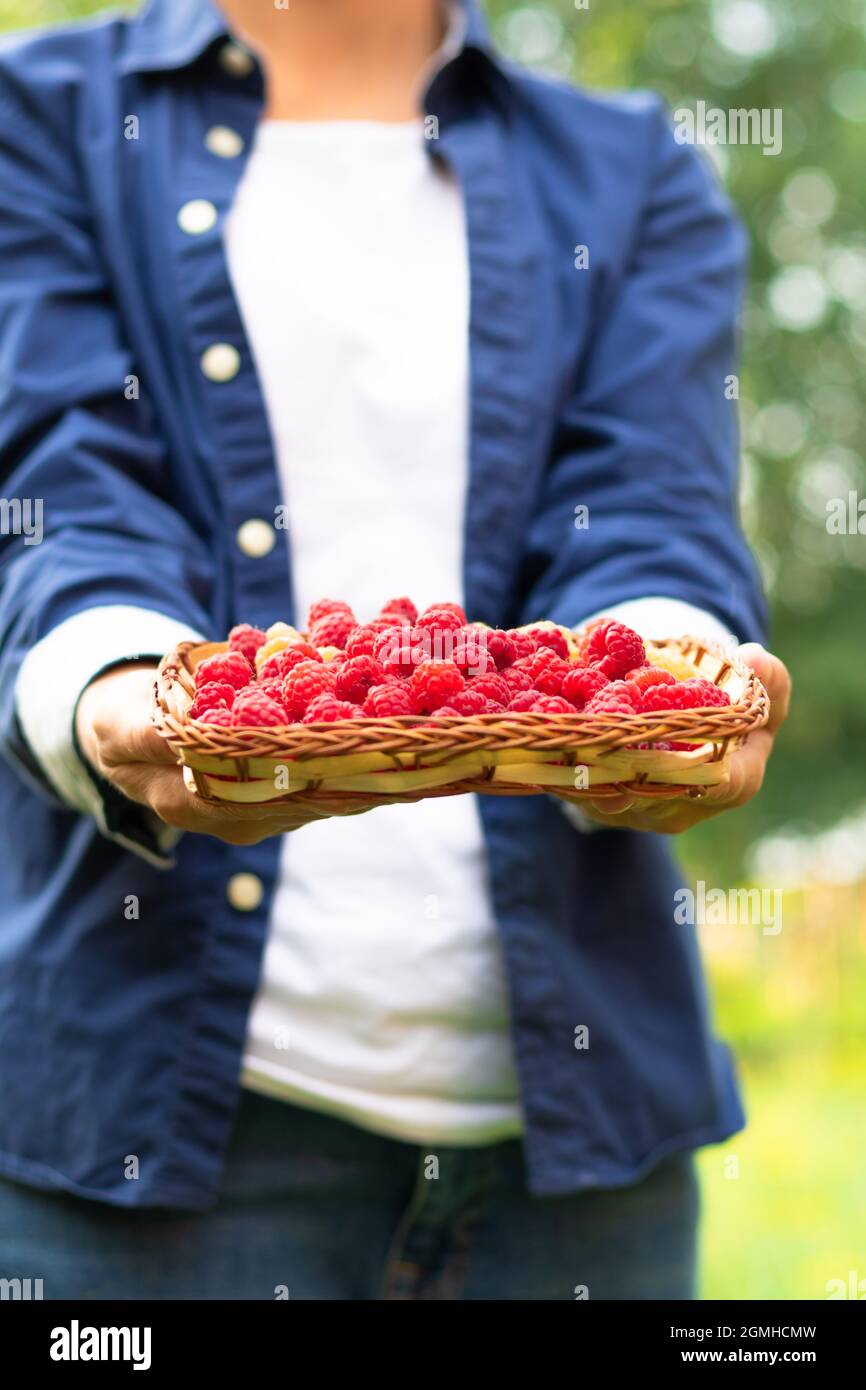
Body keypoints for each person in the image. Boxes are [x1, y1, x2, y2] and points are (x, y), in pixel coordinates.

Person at [0, 0, 790, 1300]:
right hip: (131, 1153)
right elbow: (56, 492)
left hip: (579, 1170)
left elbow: (648, 511)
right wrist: (118, 689)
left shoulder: (632, 167)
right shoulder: (38, 117)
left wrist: (658, 673)